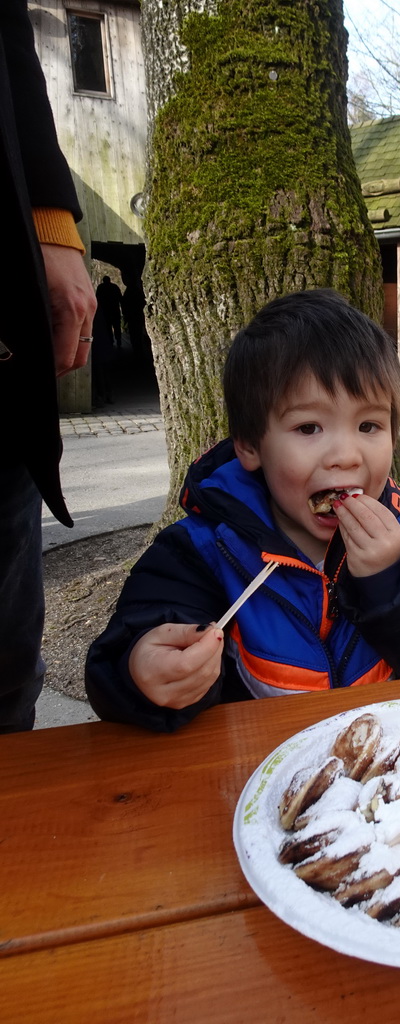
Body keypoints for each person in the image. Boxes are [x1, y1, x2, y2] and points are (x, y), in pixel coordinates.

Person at [85, 289, 400, 732]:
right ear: (249, 444)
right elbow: (116, 664)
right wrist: (142, 673)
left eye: (369, 426)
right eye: (309, 427)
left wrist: (397, 575)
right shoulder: (200, 554)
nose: (346, 455)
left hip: (386, 772)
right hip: (256, 775)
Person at [0, 1, 96, 733]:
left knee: (5, 665)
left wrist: (52, 219)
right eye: (310, 426)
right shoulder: (208, 539)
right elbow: (121, 671)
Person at [95, 274, 123, 346]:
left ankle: (111, 341)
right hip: (115, 310)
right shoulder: (114, 287)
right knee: (117, 326)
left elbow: (97, 299)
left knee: (108, 327)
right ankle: (118, 340)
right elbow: (120, 298)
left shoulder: (100, 287)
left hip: (105, 311)